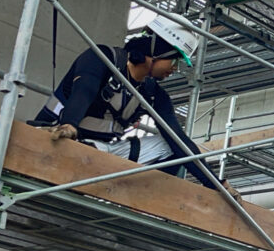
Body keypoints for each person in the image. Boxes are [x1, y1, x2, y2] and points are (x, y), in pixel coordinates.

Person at [27, 16, 220, 190]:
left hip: (101, 151)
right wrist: (69, 125)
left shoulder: (153, 93)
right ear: (156, 52)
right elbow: (84, 91)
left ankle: (136, 200)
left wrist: (218, 184)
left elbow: (178, 140)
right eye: (174, 60)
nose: (174, 69)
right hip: (58, 140)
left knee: (172, 147)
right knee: (77, 146)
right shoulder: (102, 59)